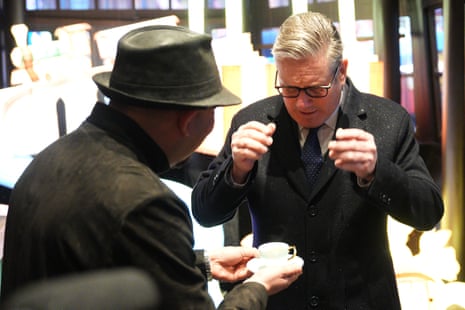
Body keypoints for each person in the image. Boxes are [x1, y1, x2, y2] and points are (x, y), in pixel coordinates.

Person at [1, 25, 303, 309]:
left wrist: (201, 264)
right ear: (188, 120)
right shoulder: (145, 200)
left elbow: (94, 267)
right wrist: (258, 287)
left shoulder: (51, 158)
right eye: (212, 111)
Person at [191, 11, 444, 309]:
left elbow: (428, 213)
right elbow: (205, 213)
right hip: (278, 301)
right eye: (289, 88)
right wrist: (236, 170)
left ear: (341, 71)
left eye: (315, 89)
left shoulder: (387, 120)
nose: (302, 103)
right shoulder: (252, 121)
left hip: (362, 300)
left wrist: (378, 172)